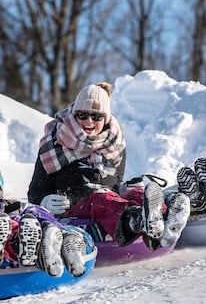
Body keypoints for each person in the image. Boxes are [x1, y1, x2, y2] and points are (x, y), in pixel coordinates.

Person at [27, 82, 190, 249]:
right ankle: (137, 221)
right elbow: (34, 193)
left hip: (105, 208)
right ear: (73, 114)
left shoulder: (114, 145)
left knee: (136, 194)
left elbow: (112, 186)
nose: (88, 121)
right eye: (82, 115)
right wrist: (44, 201)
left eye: (96, 116)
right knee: (100, 199)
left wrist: (125, 190)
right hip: (72, 211)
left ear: (105, 119)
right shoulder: (54, 143)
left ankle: (165, 220)